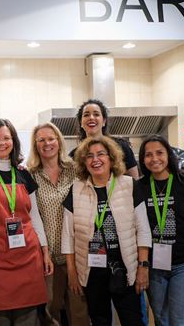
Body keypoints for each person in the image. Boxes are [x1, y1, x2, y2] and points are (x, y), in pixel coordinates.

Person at [0, 118, 53, 325]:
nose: (2, 142)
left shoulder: (24, 175)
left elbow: (35, 217)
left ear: (14, 141)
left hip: (28, 257)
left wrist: (45, 251)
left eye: (6, 137)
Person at [62, 136, 152, 326]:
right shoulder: (76, 190)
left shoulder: (129, 185)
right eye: (89, 156)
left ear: (111, 158)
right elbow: (68, 236)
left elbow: (143, 229)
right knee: (99, 320)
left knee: (133, 320)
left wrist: (143, 267)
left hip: (126, 268)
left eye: (101, 154)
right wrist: (71, 272)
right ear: (83, 162)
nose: (95, 159)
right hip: (92, 271)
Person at [137, 135, 184, 326]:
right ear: (142, 160)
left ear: (168, 154)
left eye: (159, 153)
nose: (154, 159)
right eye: (148, 155)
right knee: (161, 319)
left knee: (181, 321)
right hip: (155, 267)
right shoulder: (140, 187)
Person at [27, 122, 90, 326]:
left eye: (51, 138)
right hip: (47, 258)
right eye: (41, 140)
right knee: (49, 312)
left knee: (79, 313)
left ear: (59, 141)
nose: (47, 143)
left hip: (77, 254)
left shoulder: (76, 170)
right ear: (35, 145)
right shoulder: (29, 175)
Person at [70, 99, 139, 179]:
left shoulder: (121, 147)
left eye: (96, 114)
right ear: (81, 123)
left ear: (104, 121)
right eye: (86, 115)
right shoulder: (75, 155)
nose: (91, 117)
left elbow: (134, 180)